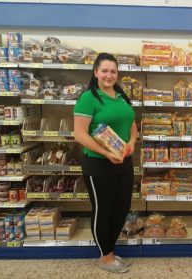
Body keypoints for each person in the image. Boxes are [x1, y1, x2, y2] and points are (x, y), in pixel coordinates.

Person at [74, 53, 137, 274]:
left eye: (113, 71)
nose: (109, 75)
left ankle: (110, 249)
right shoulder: (88, 98)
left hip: (123, 161)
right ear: (96, 73)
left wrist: (132, 142)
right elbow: (80, 134)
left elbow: (131, 124)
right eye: (105, 71)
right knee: (103, 210)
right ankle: (106, 257)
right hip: (98, 164)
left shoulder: (120, 95)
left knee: (122, 208)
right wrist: (105, 152)